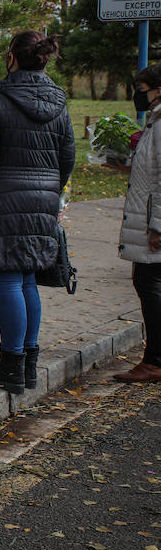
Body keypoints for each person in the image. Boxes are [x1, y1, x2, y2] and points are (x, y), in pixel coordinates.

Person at [0, 31, 73, 395]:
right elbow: (67, 156)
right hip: (42, 200)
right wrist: (51, 192)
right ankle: (29, 364)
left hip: (2, 200)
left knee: (8, 280)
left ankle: (10, 365)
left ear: (11, 57)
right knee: (26, 279)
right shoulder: (60, 102)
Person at [114, 63, 161, 383]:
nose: (138, 96)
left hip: (152, 221)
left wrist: (158, 225)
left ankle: (154, 360)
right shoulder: (155, 123)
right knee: (149, 283)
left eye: (142, 89)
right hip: (147, 215)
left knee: (149, 284)